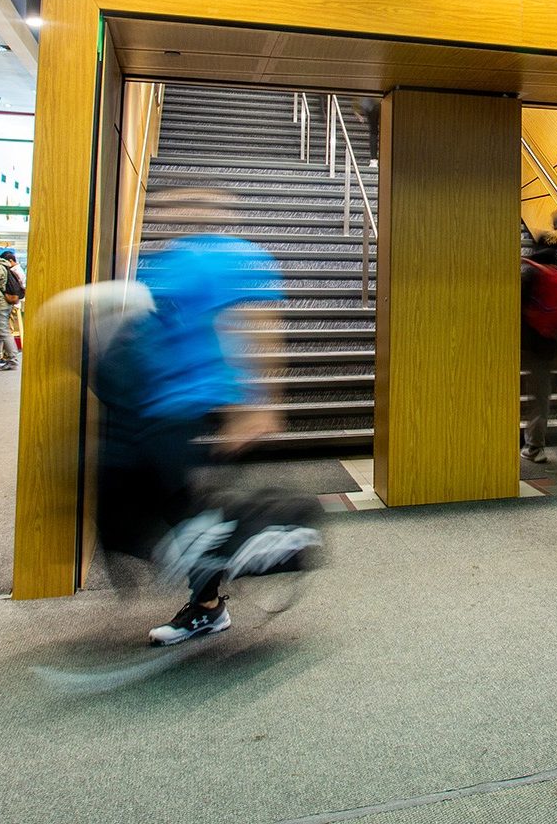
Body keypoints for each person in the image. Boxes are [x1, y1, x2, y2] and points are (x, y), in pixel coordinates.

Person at [95, 189, 307, 646]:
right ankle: (211, 592)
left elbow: (261, 323)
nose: (176, 213)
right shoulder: (163, 261)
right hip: (147, 403)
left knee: (181, 512)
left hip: (196, 400)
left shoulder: (237, 257)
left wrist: (259, 403)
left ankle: (219, 592)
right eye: (170, 207)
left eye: (191, 206)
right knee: (142, 509)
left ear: (218, 214)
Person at [519, 235, 557, 464]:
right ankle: (535, 446)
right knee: (540, 398)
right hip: (547, 346)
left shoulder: (528, 272)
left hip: (525, 345)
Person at [351, 96, 380, 168]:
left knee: (373, 132)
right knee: (375, 132)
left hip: (370, 106)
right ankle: (376, 159)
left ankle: (374, 160)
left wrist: (358, 114)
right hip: (379, 102)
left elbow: (356, 100)